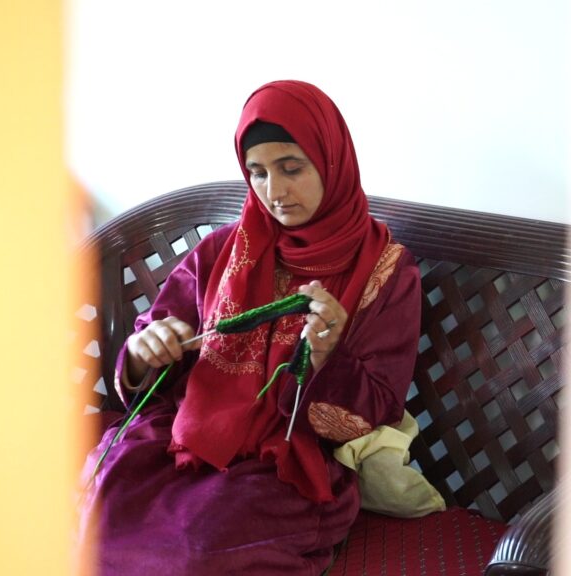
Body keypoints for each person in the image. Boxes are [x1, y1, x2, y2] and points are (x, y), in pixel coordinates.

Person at [80, 80, 422, 574]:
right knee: (96, 513)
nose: (274, 191)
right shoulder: (223, 250)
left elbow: (376, 406)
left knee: (195, 552)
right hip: (183, 438)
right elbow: (150, 351)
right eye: (257, 172)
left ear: (331, 160)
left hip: (286, 462)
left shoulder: (385, 270)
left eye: (291, 168)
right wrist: (144, 350)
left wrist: (327, 358)